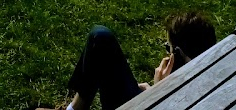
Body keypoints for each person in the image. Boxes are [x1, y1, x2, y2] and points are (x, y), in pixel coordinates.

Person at [38, 12, 216, 110]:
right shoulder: (219, 80)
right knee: (101, 38)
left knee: (101, 38)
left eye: (168, 48)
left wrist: (159, 94)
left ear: (177, 54)